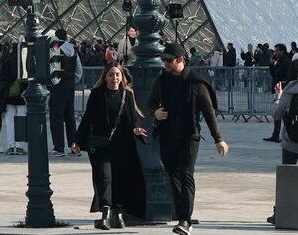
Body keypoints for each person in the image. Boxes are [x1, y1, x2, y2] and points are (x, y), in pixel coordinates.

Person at [150, 42, 229, 235]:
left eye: (169, 60)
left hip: (189, 136)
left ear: (181, 60)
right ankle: (182, 216)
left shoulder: (196, 83)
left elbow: (209, 113)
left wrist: (218, 139)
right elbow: (151, 101)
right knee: (172, 175)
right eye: (163, 60)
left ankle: (185, 219)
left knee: (185, 174)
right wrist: (156, 111)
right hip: (167, 134)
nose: (165, 64)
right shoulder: (162, 80)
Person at [72, 61, 147, 229]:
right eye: (111, 75)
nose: (115, 78)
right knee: (104, 178)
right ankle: (106, 214)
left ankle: (118, 214)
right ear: (105, 77)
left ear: (122, 77)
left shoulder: (127, 95)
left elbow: (133, 117)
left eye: (118, 75)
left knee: (120, 179)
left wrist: (136, 128)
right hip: (101, 145)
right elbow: (87, 119)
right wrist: (77, 139)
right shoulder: (97, 94)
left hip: (122, 144)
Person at [49, 28, 83, 157]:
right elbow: (79, 70)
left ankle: (59, 148)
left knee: (56, 118)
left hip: (57, 87)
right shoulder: (73, 49)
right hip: (70, 87)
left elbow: (51, 67)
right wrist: (72, 81)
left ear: (56, 37)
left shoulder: (55, 48)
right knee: (70, 118)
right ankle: (74, 148)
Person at [1, 42, 27, 155]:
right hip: (22, 95)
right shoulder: (24, 62)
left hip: (10, 94)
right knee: (21, 119)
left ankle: (11, 145)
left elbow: (4, 77)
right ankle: (19, 145)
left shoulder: (7, 60)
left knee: (9, 120)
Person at [264, 44, 290, 143]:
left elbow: (280, 74)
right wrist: (271, 64)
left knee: (281, 112)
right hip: (278, 88)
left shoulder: (285, 61)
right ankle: (276, 134)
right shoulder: (279, 61)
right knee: (277, 111)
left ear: (282, 51)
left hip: (283, 89)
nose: (275, 52)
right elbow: (273, 74)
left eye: (277, 50)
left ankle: (281, 134)